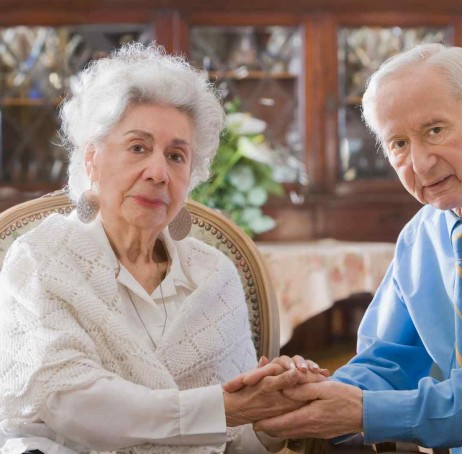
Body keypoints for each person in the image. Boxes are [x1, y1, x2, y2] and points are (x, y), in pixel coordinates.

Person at [229, 43, 462, 453]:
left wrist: (369, 412)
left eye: (434, 131)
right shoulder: (419, 237)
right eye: (398, 144)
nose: (420, 164)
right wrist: (310, 395)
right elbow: (386, 362)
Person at [0, 43, 325, 454]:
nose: (158, 173)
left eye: (176, 156)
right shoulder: (41, 258)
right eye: (138, 147)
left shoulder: (215, 276)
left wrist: (274, 412)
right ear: (92, 161)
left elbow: (235, 437)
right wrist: (224, 408)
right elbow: (72, 403)